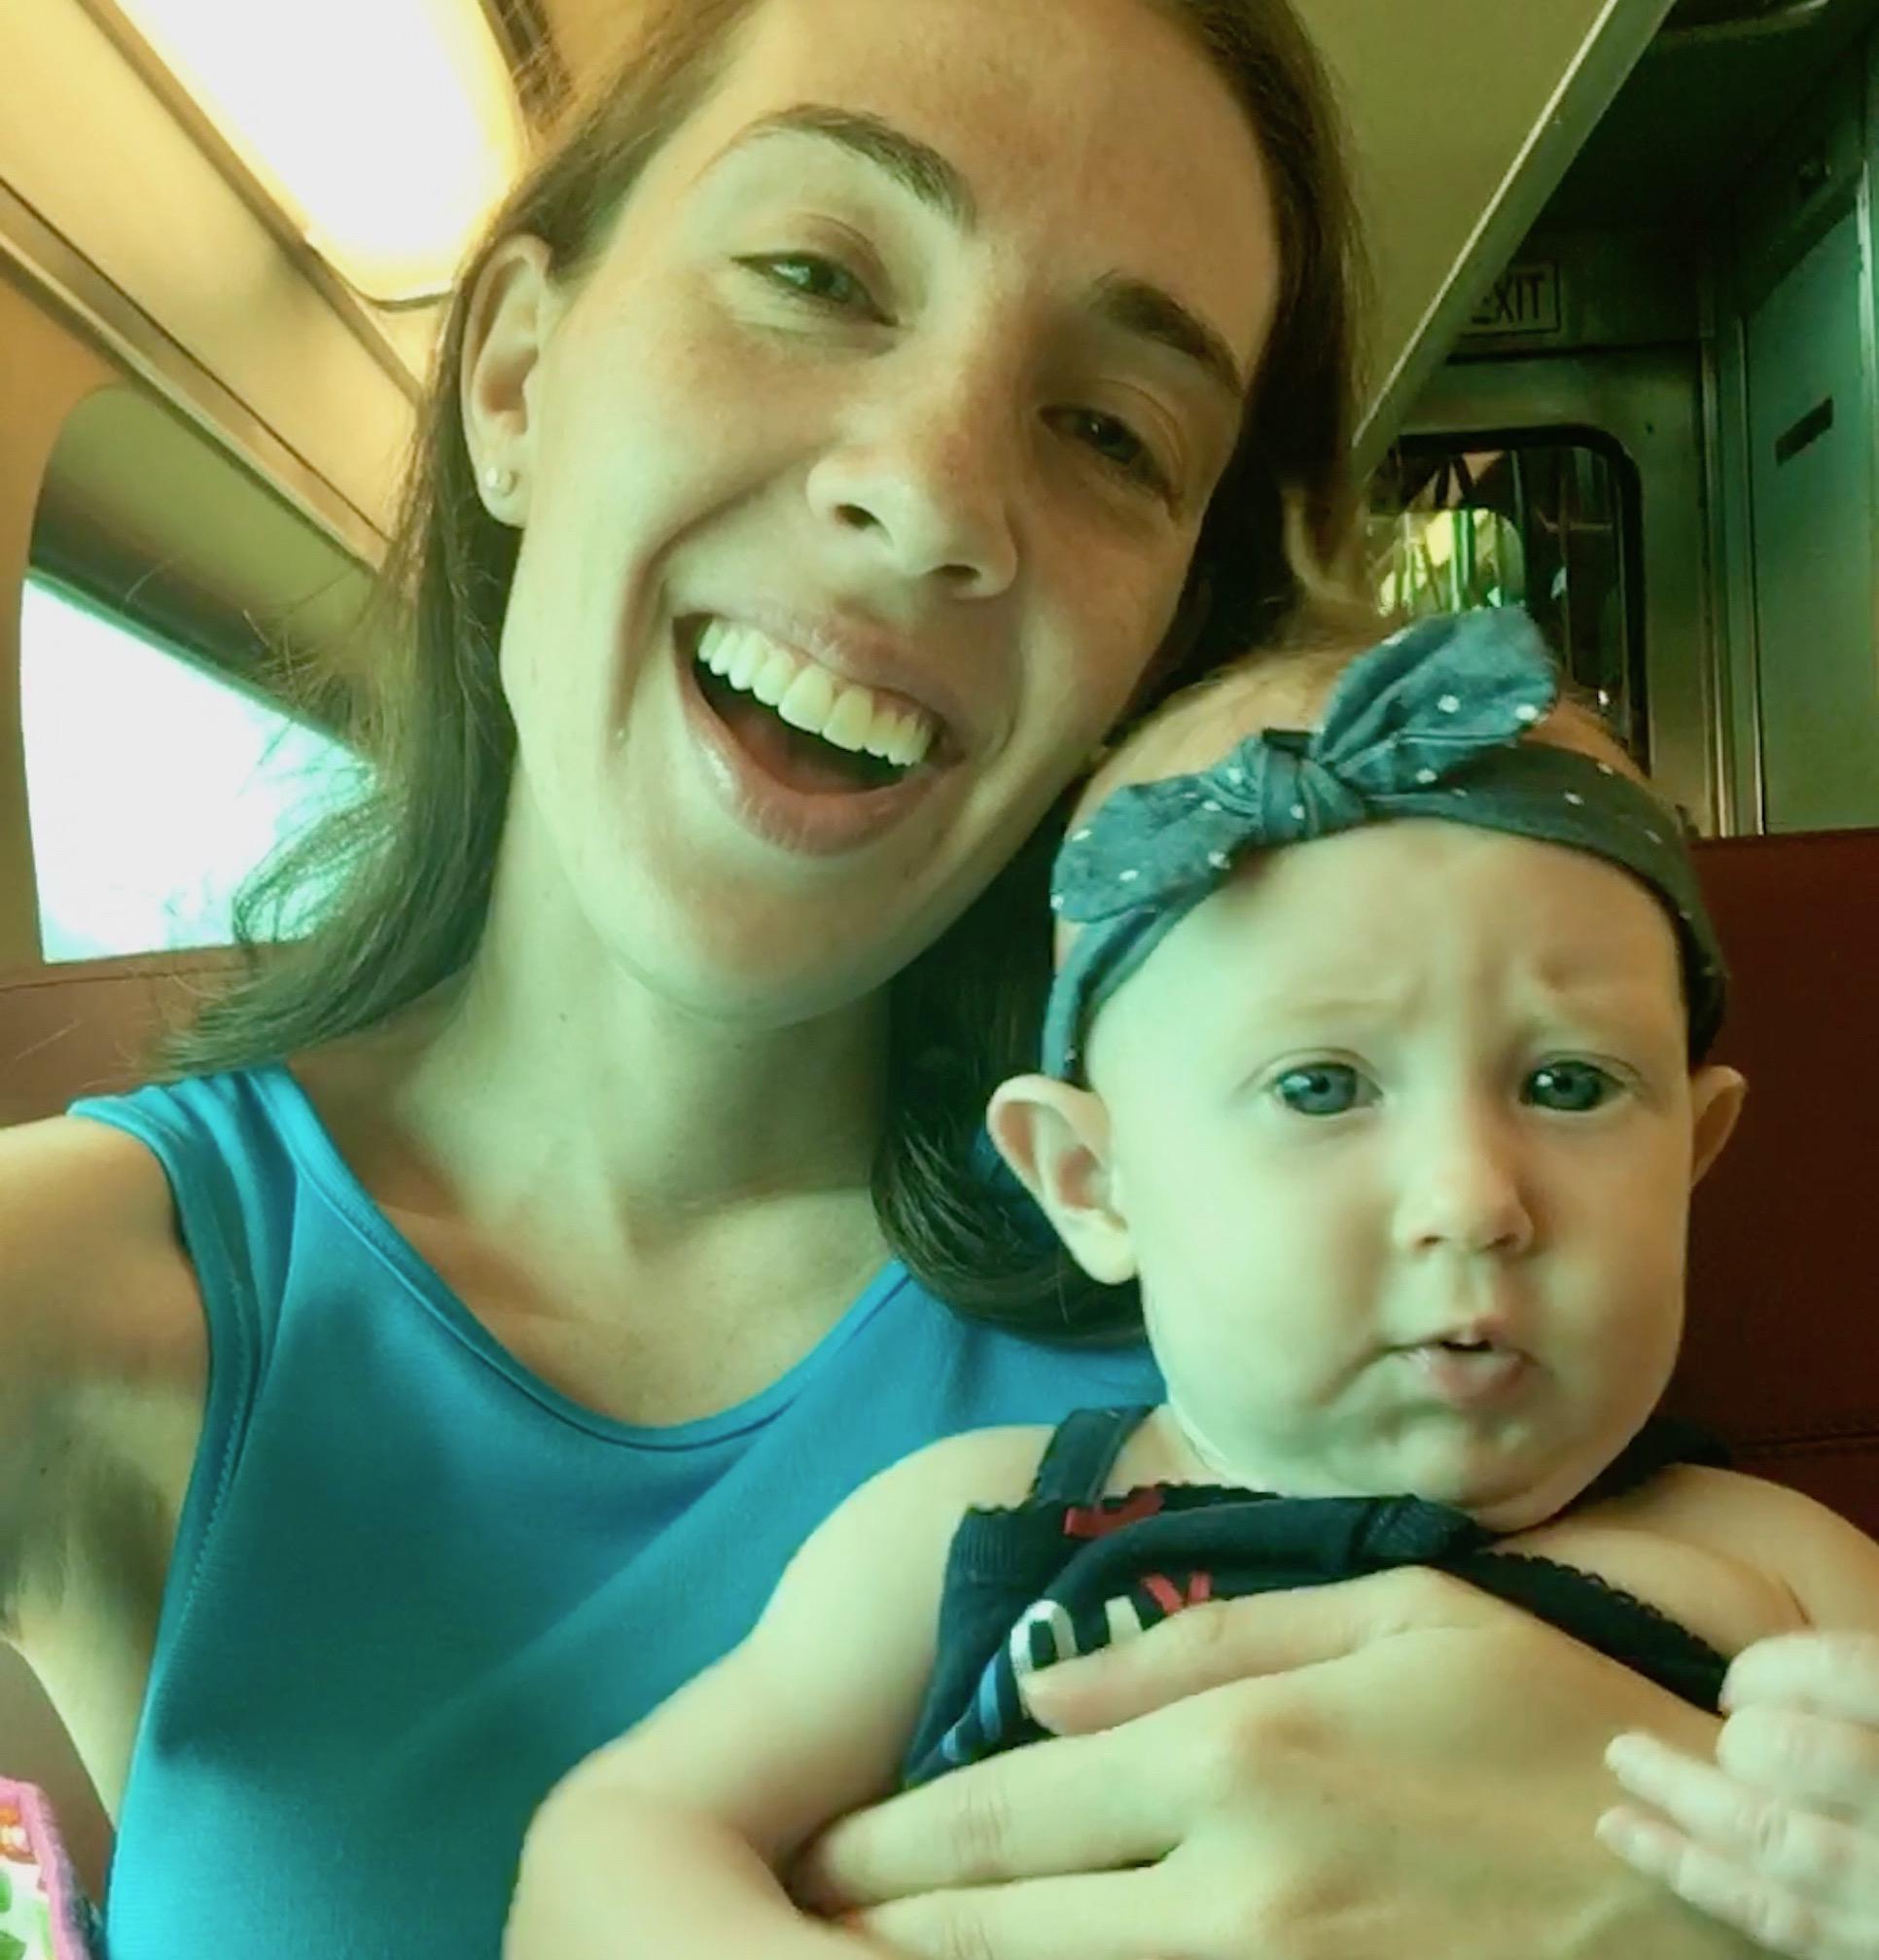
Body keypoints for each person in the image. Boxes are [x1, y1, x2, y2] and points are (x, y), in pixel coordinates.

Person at [0, 0, 1800, 1953]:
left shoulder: (1306, 1302)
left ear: (1155, 649)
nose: (936, 498)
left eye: (1111, 428)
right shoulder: (80, 1295)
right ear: (518, 376)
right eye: (812, 272)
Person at [505, 611, 1879, 1960]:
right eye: (1321, 1086)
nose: (1473, 1197)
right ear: (1092, 1185)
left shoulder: (1784, 1577)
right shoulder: (960, 1535)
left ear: (1694, 1159)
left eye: (1568, 1084)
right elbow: (613, 1848)